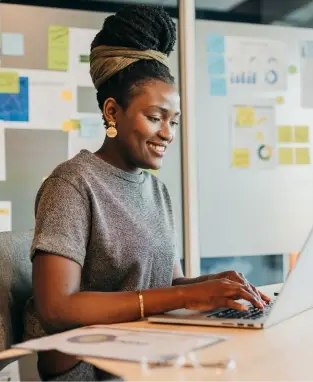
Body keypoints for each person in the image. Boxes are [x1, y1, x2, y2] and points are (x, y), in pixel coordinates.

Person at [23, 4, 270, 381]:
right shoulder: (72, 184)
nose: (168, 133)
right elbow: (56, 307)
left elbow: (164, 285)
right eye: (155, 118)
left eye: (173, 121)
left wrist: (214, 285)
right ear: (112, 112)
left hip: (148, 355)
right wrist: (187, 297)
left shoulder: (155, 189)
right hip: (96, 372)